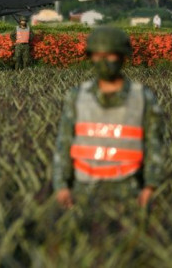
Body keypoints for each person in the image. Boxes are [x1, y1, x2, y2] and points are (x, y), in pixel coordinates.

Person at [52, 26, 165, 217]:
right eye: (98, 55)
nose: (104, 61)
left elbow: (155, 145)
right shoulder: (77, 96)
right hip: (84, 189)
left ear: (122, 56)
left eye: (110, 55)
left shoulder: (142, 97)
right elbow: (64, 143)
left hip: (128, 190)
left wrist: (151, 187)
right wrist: (61, 185)